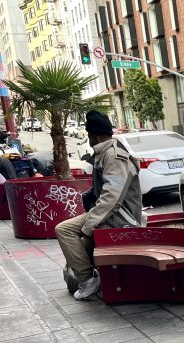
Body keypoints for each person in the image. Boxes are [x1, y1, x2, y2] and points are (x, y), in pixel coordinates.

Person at [55, 110, 142, 301]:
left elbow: (111, 197)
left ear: (94, 135)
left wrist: (89, 226)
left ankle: (88, 281)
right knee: (77, 258)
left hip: (121, 218)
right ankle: (88, 278)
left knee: (64, 230)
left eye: (89, 135)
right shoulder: (105, 154)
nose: (88, 139)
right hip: (109, 215)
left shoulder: (113, 156)